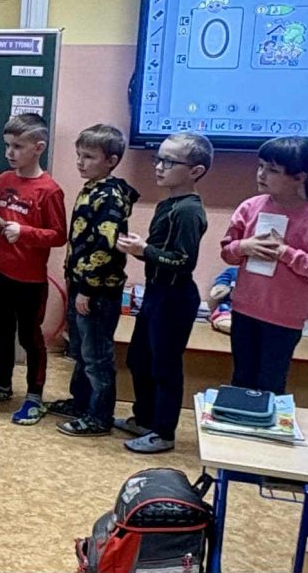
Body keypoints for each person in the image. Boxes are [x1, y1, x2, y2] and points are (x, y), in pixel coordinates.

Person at [220, 136, 308, 394]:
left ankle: (265, 421)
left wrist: (286, 253)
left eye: (273, 170)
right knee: (241, 379)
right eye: (260, 166)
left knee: (270, 385)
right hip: (244, 311)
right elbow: (228, 253)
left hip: (284, 319)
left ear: (299, 177)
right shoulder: (249, 207)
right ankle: (238, 421)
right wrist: (244, 247)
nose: (261, 174)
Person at [115, 131, 211, 454]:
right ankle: (145, 419)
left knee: (165, 367)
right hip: (156, 293)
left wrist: (145, 250)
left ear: (195, 171)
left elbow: (183, 261)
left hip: (175, 297)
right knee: (139, 358)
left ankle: (164, 432)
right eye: (158, 159)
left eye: (169, 162)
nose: (159, 167)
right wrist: (142, 249)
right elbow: (161, 252)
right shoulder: (169, 204)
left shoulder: (188, 211)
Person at [0, 112, 66, 424]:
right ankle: (2, 384)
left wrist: (24, 232)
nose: (10, 153)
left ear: (38, 148)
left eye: (17, 146)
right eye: (7, 145)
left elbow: (58, 235)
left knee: (29, 337)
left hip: (29, 279)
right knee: (0, 332)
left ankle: (35, 397)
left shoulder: (49, 190)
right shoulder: (3, 180)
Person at [48, 123, 139, 437]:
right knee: (82, 351)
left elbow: (104, 247)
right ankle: (81, 403)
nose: (80, 162)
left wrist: (86, 288)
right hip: (82, 284)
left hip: (97, 290)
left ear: (111, 161)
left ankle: (99, 416)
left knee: (97, 356)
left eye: (89, 156)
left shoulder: (110, 197)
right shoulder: (92, 188)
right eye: (79, 155)